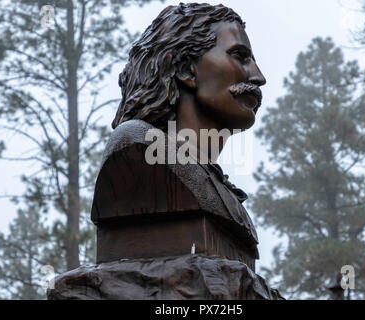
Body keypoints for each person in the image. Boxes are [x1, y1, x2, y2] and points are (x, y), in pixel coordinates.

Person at [91, 3, 267, 269]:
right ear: (187, 69)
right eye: (239, 56)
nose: (258, 77)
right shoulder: (137, 148)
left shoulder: (224, 191)